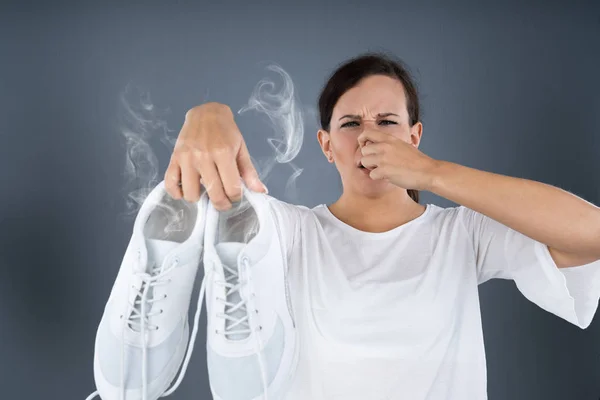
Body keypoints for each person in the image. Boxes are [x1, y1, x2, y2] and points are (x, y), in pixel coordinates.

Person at [164, 52, 600, 399]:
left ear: (414, 137)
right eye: (350, 124)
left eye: (388, 122)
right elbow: (223, 199)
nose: (368, 137)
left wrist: (432, 174)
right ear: (327, 145)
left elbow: (591, 233)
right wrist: (207, 115)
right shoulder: (291, 231)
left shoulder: (463, 234)